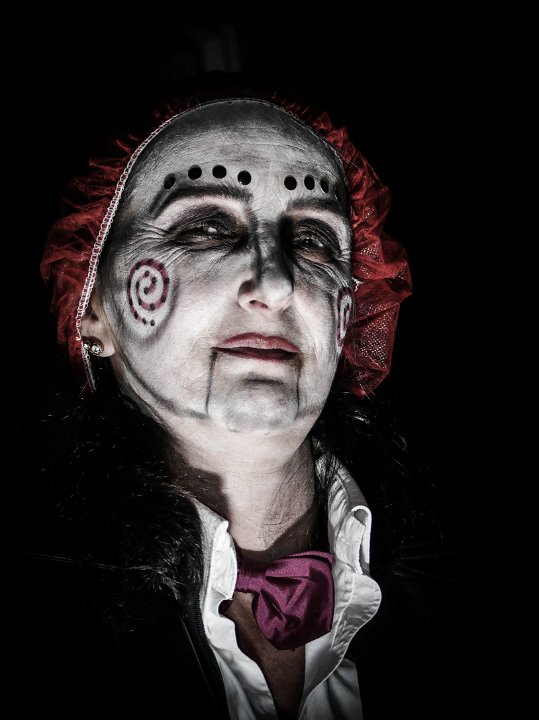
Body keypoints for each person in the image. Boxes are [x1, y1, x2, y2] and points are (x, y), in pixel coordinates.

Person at [17, 75, 486, 719]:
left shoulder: (470, 590)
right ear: (90, 308)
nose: (275, 283)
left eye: (313, 239)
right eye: (206, 228)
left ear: (351, 310)